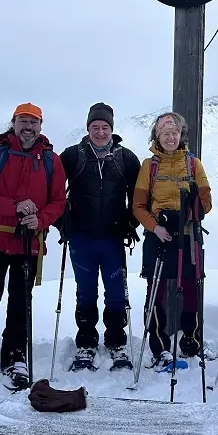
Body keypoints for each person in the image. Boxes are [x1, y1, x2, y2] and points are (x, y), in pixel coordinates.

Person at [0, 103, 67, 396]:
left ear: (41, 126)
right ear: (14, 123)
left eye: (34, 122)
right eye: (23, 121)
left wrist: (40, 219)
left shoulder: (51, 161)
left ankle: (15, 358)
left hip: (28, 243)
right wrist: (15, 206)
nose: (28, 127)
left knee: (21, 304)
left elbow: (58, 202)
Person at [58, 102, 141, 372]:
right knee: (86, 292)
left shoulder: (125, 158)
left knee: (116, 293)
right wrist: (62, 221)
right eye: (95, 127)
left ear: (112, 129)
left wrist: (131, 221)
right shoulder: (72, 156)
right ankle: (86, 341)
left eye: (105, 127)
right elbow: (53, 191)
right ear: (88, 129)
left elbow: (139, 195)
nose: (100, 132)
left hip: (113, 237)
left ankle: (116, 339)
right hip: (81, 237)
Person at [132, 112, 213, 369]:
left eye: (174, 132)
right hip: (158, 236)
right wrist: (156, 226)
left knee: (191, 288)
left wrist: (185, 215)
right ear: (157, 135)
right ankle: (159, 346)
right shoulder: (150, 166)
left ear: (181, 135)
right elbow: (138, 206)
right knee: (155, 291)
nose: (170, 136)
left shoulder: (193, 164)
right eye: (165, 132)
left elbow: (206, 202)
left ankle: (191, 340)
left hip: (188, 235)